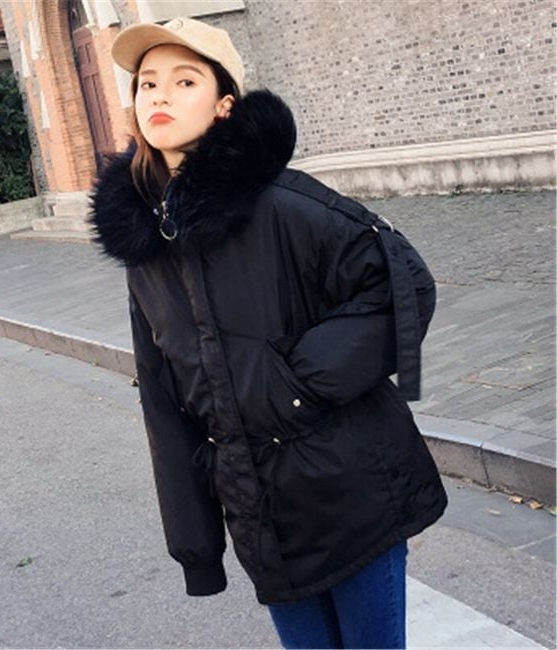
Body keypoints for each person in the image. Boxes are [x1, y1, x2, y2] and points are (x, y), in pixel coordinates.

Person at [89, 16, 448, 650]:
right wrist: (196, 547)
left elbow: (404, 284)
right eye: (147, 84)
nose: (160, 95)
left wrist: (296, 386)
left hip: (352, 491)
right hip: (262, 517)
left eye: (185, 81)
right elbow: (163, 402)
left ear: (224, 106)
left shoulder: (284, 203)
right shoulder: (146, 247)